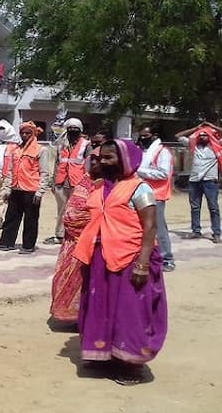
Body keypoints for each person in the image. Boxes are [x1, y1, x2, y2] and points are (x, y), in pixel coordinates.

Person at [73, 139, 168, 385]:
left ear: (126, 160)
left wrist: (143, 263)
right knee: (101, 308)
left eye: (109, 158)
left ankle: (130, 366)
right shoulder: (100, 187)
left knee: (130, 312)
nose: (102, 162)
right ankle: (103, 357)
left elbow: (150, 226)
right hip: (100, 259)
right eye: (101, 157)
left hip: (131, 258)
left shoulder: (140, 188)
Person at [50, 148, 101, 324]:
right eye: (92, 159)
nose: (94, 163)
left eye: (99, 159)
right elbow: (72, 215)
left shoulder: (114, 186)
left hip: (102, 243)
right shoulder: (85, 182)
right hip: (77, 241)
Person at [0, 121, 50, 254]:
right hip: (16, 189)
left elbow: (44, 173)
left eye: (28, 133)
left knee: (30, 219)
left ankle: (28, 246)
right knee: (11, 217)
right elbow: (10, 171)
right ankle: (6, 242)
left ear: (33, 134)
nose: (25, 135)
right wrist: (7, 188)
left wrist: (40, 192)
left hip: (31, 190)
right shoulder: (16, 150)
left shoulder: (41, 150)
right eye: (22, 133)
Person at [175, 122, 222, 244]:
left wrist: (212, 126)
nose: (202, 137)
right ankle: (196, 231)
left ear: (210, 136)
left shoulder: (218, 145)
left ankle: (216, 234)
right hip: (194, 181)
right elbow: (178, 135)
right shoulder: (194, 145)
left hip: (210, 181)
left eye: (205, 135)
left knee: (213, 208)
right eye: (200, 135)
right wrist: (195, 128)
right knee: (195, 208)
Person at [136, 125, 176, 272]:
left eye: (145, 136)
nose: (142, 138)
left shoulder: (162, 152)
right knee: (143, 227)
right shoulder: (143, 152)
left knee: (158, 228)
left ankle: (167, 259)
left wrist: (139, 171)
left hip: (156, 195)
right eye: (140, 135)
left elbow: (163, 174)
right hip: (141, 193)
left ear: (154, 135)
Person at [45, 118, 90, 245]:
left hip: (78, 182)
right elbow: (57, 164)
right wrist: (53, 182)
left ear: (80, 130)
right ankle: (60, 235)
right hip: (61, 182)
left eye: (75, 128)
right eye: (70, 128)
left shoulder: (86, 144)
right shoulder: (61, 145)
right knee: (61, 210)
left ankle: (76, 234)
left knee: (77, 210)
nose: (72, 130)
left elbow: (89, 164)